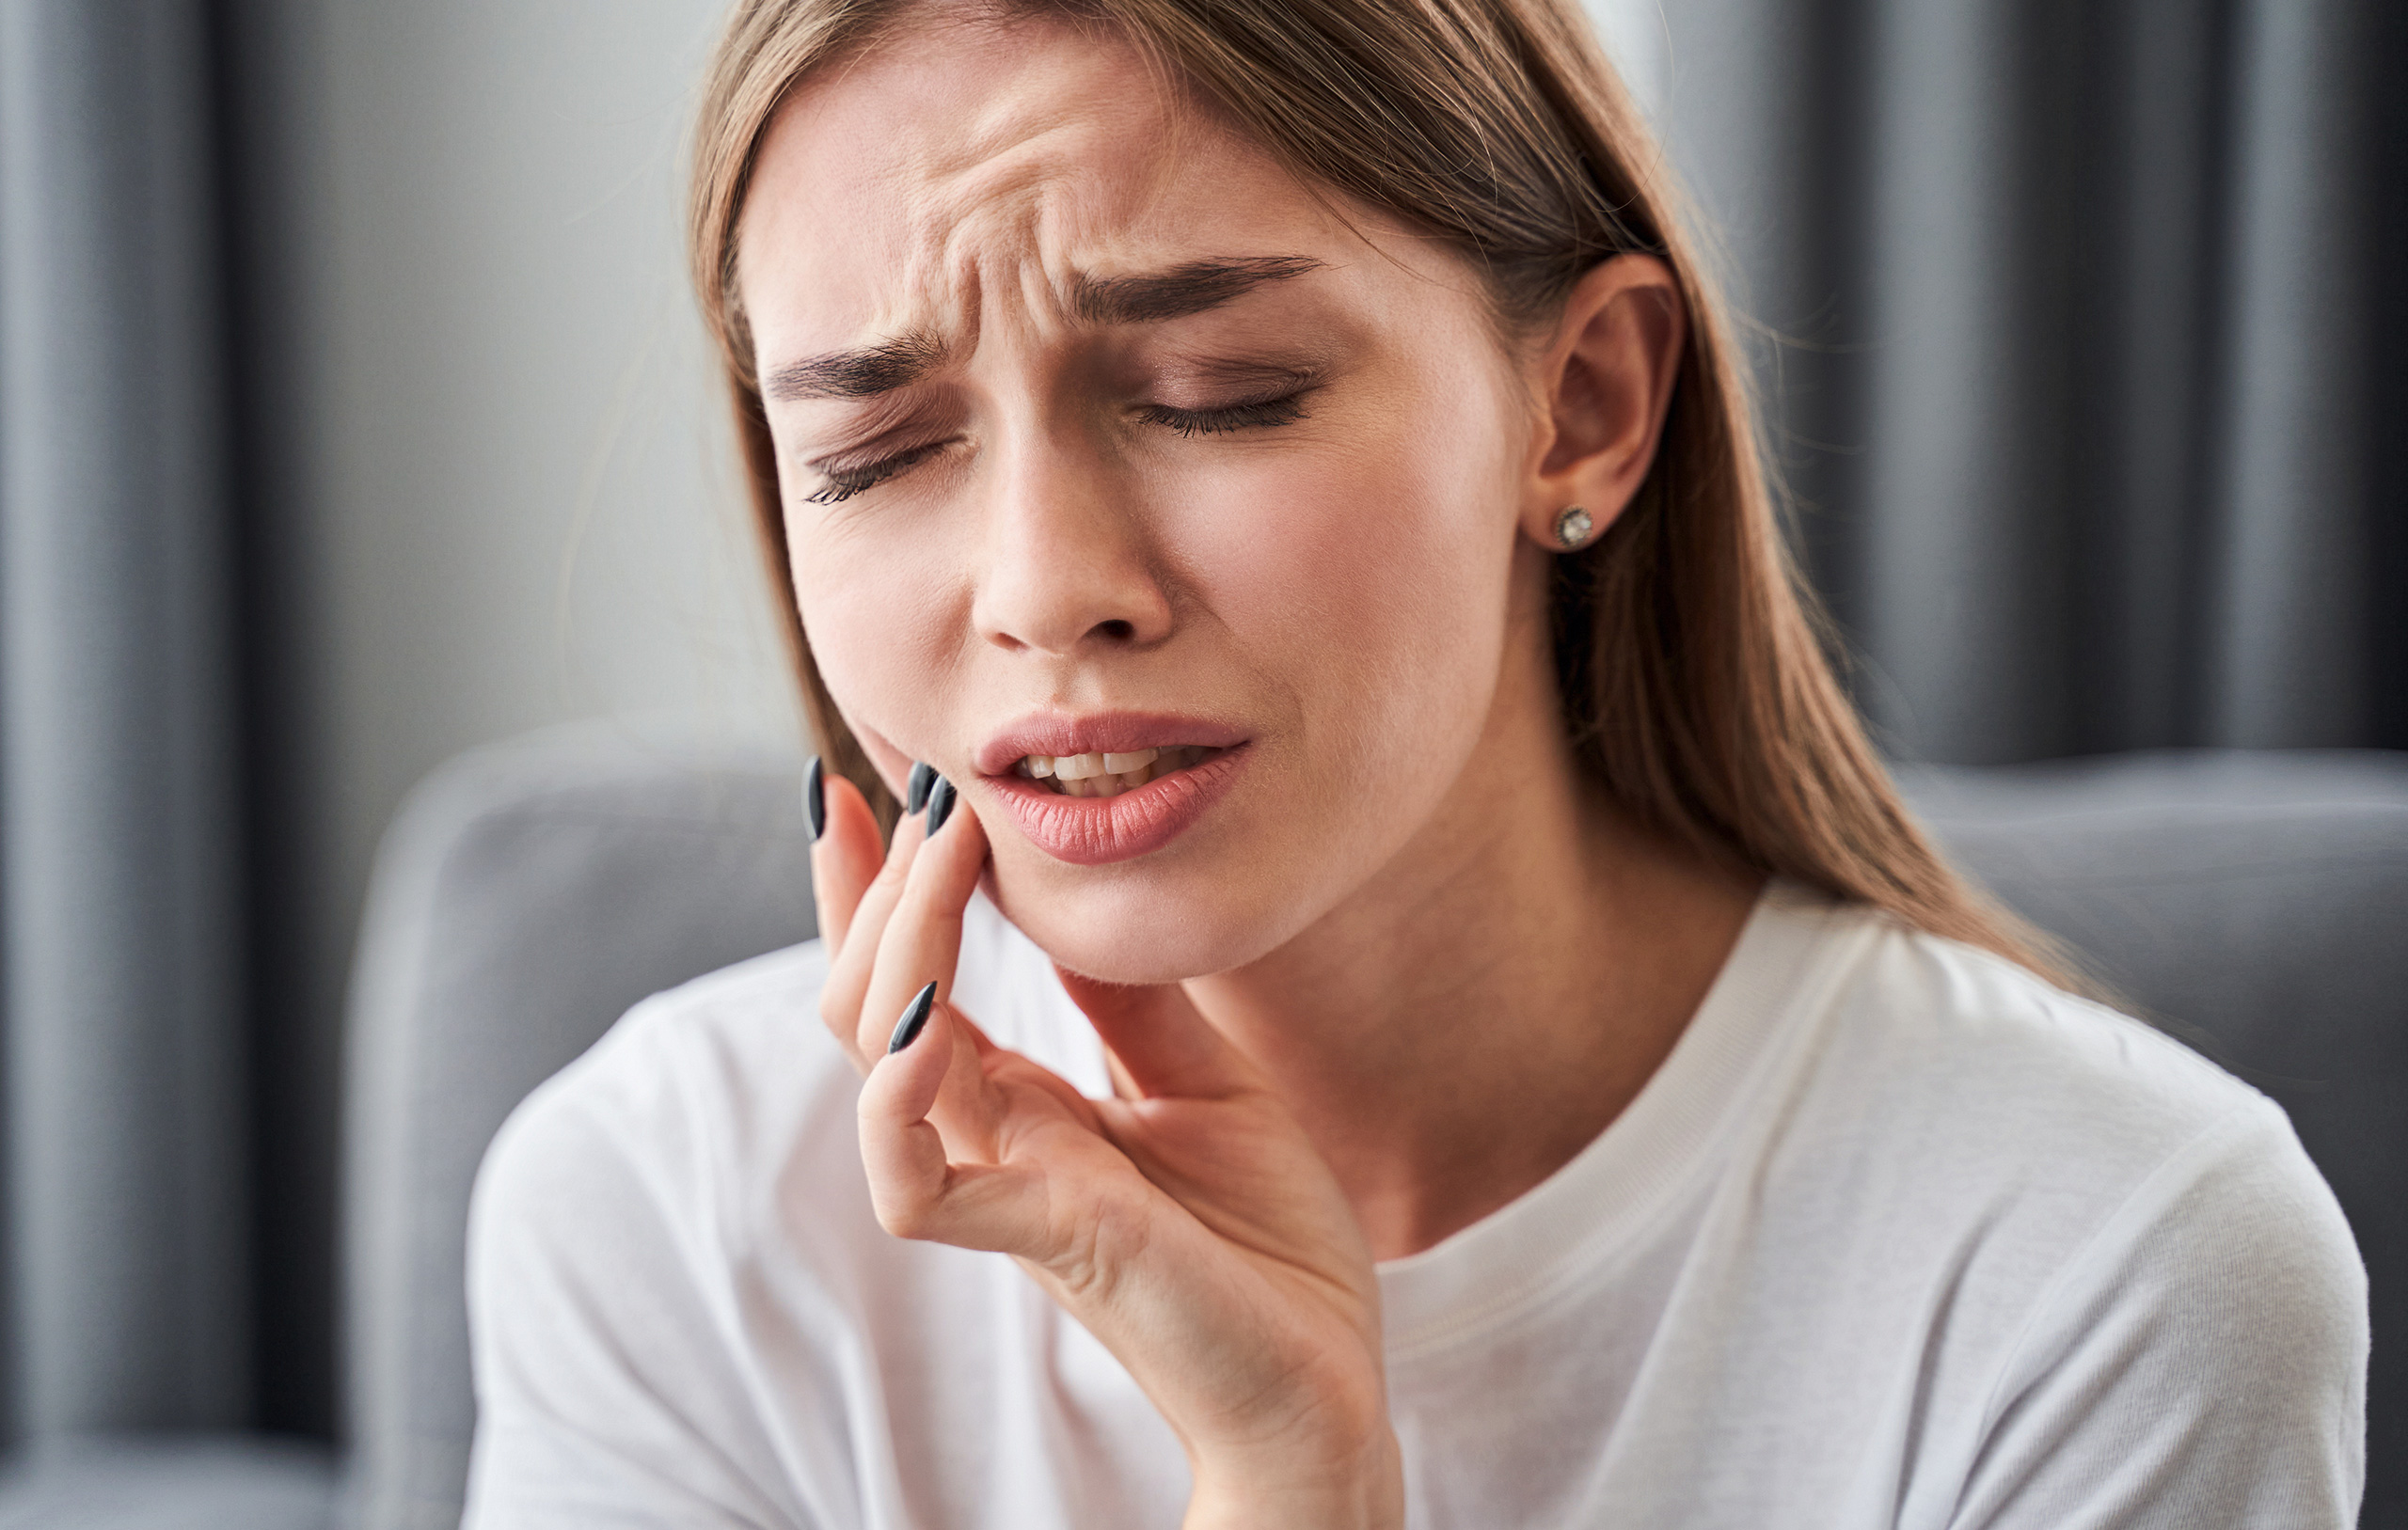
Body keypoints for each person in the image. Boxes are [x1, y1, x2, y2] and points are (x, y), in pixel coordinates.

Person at [459, 0, 2368, 1524]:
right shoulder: (670, 1218)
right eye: (877, 456)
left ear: (1582, 408)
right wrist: (1283, 1485)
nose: (1047, 589)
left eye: (1222, 395)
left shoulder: (2111, 1269)